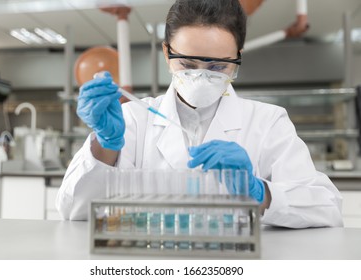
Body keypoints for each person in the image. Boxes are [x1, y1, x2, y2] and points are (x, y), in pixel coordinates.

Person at [56, 0, 343, 228]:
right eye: (188, 63)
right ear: (167, 53)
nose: (202, 77)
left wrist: (260, 192)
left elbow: (327, 208)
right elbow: (74, 211)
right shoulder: (133, 118)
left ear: (237, 58)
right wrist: (104, 145)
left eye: (219, 67)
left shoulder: (268, 122)